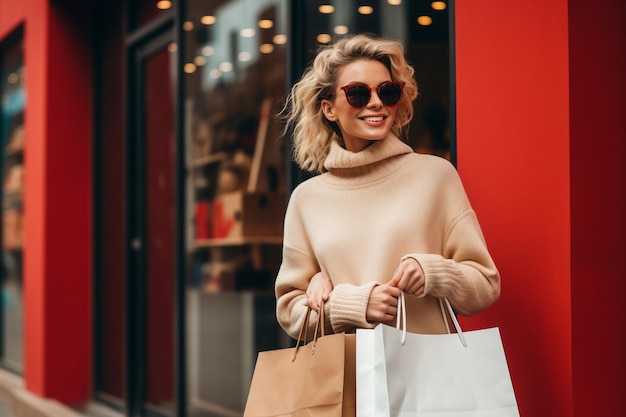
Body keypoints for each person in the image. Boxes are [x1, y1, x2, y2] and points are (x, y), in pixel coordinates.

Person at [275, 34, 500, 339]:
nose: (376, 102)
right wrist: (350, 305)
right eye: (357, 94)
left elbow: (486, 285)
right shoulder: (307, 199)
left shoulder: (434, 176)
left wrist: (432, 273)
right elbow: (291, 311)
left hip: (425, 376)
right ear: (329, 109)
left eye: (388, 91)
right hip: (348, 380)